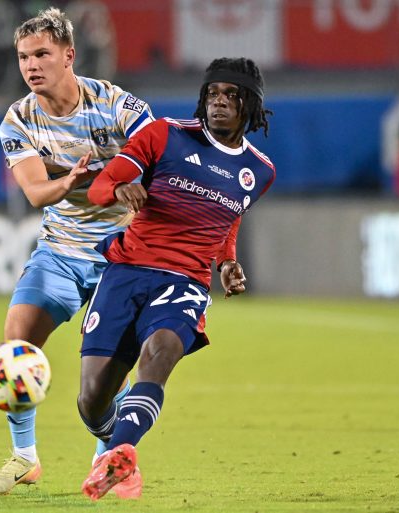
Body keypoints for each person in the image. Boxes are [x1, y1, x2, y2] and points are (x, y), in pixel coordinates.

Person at [75, 57, 275, 500]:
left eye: (231, 95)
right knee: (91, 400)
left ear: (251, 104)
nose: (219, 102)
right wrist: (121, 188)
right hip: (127, 271)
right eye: (212, 93)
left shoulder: (259, 171)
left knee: (160, 351)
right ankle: (111, 441)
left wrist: (226, 262)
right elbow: (101, 186)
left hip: (185, 281)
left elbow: (229, 216)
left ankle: (122, 453)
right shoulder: (164, 134)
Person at [0, 7, 153, 495]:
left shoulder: (114, 103)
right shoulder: (19, 119)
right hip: (60, 250)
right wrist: (78, 180)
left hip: (121, 254)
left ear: (69, 55)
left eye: (41, 54)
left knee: (107, 368)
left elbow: (158, 151)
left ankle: (107, 460)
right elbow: (36, 192)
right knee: (14, 347)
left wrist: (121, 177)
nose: (31, 65)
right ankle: (24, 457)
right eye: (23, 57)